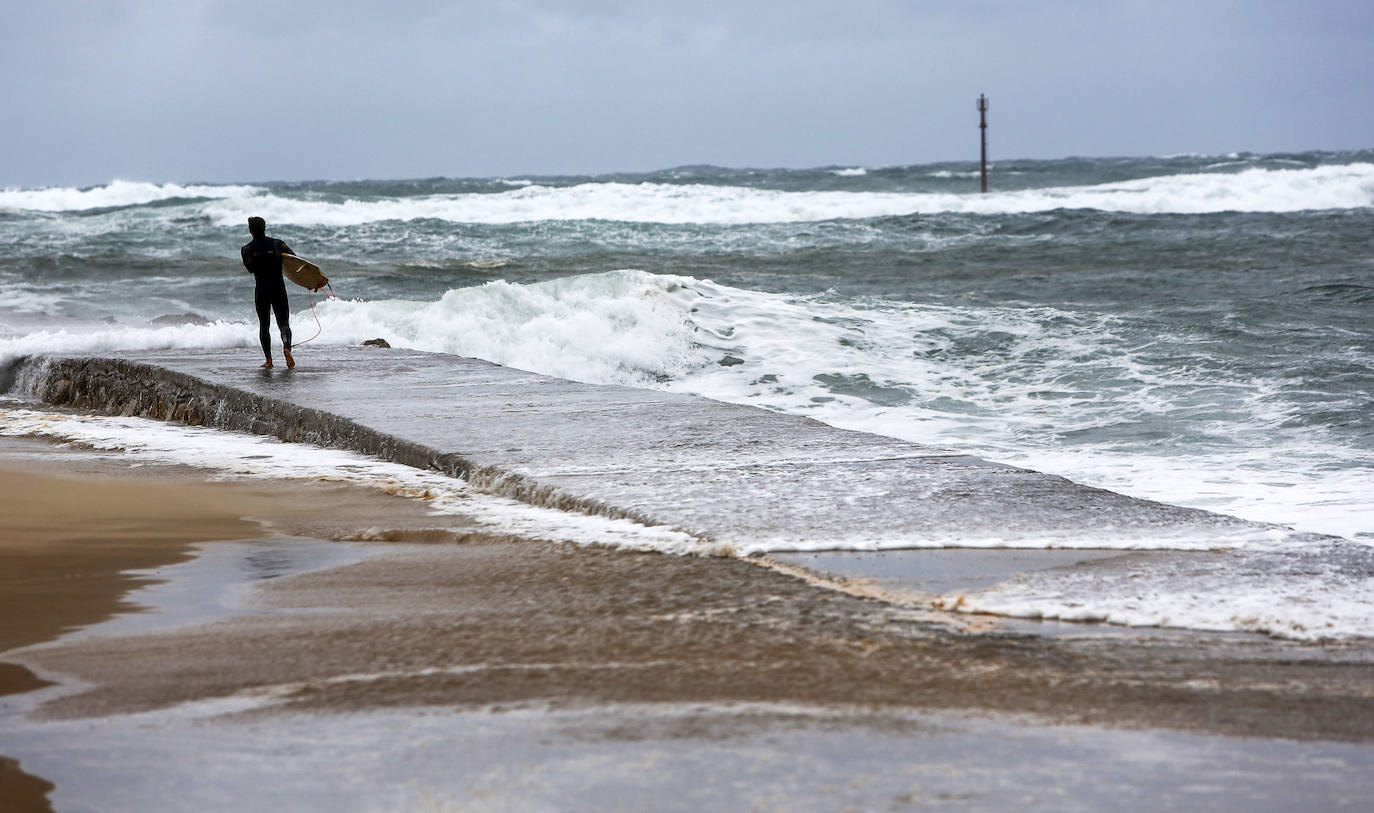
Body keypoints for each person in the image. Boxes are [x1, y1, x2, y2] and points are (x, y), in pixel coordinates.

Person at [240, 216, 295, 369]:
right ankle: (286, 347)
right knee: (283, 323)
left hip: (262, 290)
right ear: (265, 228)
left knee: (264, 325)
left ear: (250, 231)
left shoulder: (246, 249)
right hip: (278, 288)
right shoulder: (277, 244)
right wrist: (311, 281)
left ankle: (269, 360)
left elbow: (250, 269)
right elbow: (294, 260)